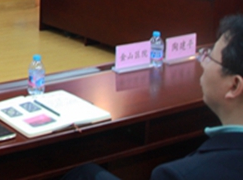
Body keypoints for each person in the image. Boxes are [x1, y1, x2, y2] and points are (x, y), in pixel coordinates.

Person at [63, 14, 243, 180]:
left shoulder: (174, 175)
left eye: (209, 56)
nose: (202, 62)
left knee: (84, 174)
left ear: (234, 86)